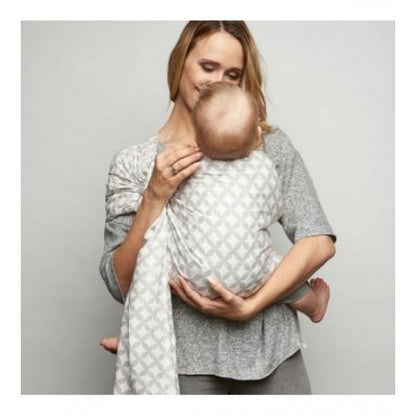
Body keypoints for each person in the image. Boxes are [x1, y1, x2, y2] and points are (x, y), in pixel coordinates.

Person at [99, 21, 336, 395]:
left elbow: (318, 240)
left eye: (232, 74)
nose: (217, 82)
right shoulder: (136, 163)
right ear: (179, 63)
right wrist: (155, 197)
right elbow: (120, 283)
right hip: (177, 362)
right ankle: (133, 343)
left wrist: (252, 305)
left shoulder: (265, 146)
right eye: (207, 67)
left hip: (272, 353)